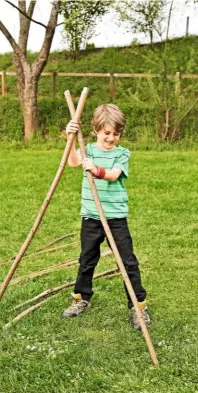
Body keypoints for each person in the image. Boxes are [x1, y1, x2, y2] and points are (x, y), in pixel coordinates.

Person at [62, 104, 150, 330]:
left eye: (116, 134)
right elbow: (72, 162)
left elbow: (113, 175)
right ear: (96, 130)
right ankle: (82, 299)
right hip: (91, 216)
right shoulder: (88, 149)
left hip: (115, 217)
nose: (111, 138)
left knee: (127, 262)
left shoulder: (122, 153)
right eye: (106, 133)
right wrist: (70, 139)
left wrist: (96, 170)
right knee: (87, 260)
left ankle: (138, 306)